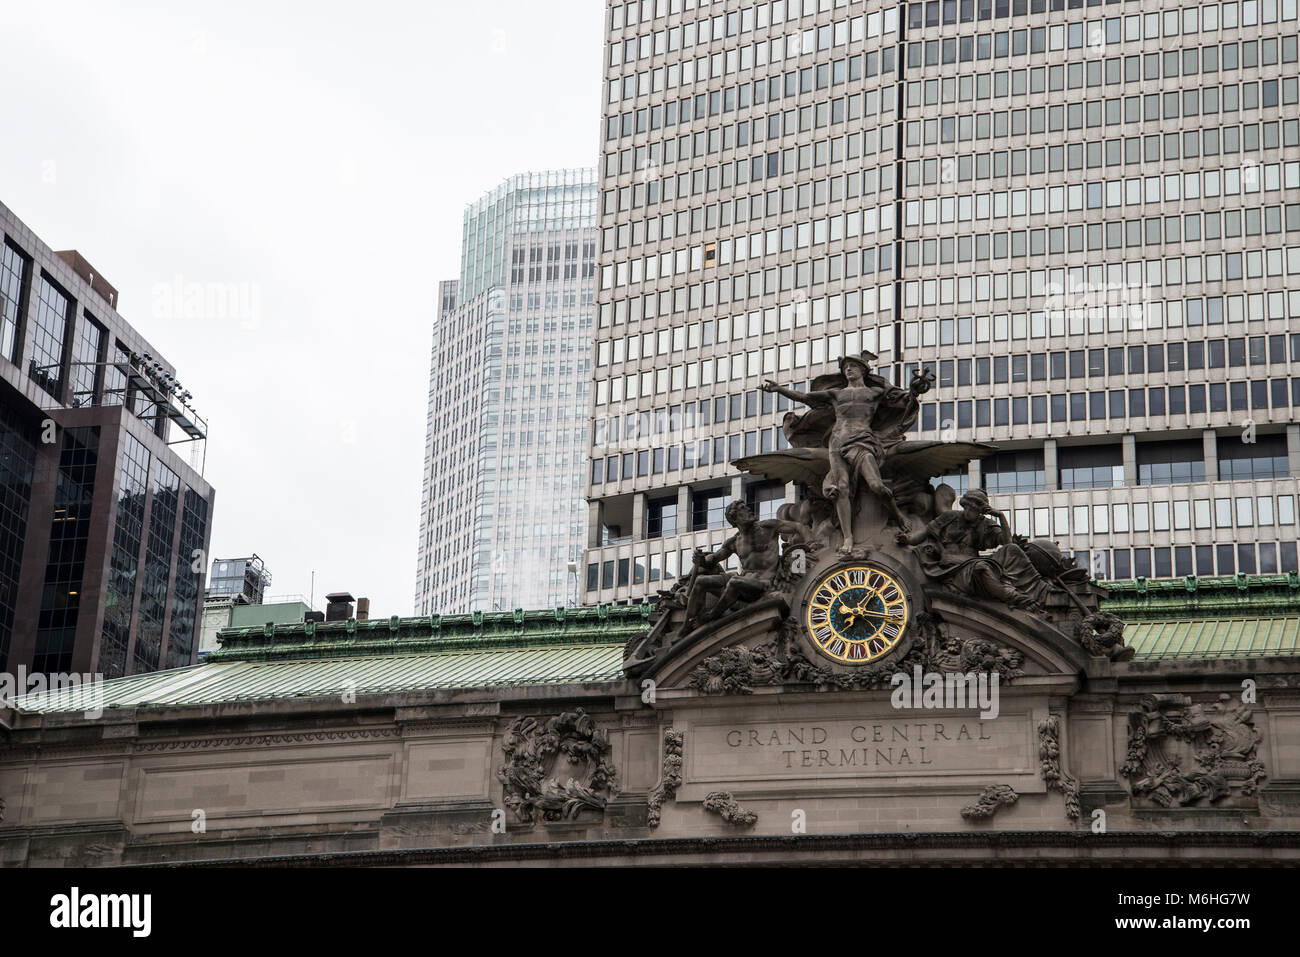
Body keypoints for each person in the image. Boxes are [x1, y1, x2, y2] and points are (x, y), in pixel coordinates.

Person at [762, 354, 929, 554]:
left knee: (877, 486)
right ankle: (848, 538)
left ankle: (898, 516)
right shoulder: (836, 394)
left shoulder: (875, 393)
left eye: (852, 366)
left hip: (862, 441)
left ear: (863, 370)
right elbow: (805, 398)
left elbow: (903, 400)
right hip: (837, 442)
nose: (848, 370)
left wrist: (915, 390)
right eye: (845, 367)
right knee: (841, 488)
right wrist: (779, 390)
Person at [895, 488, 1048, 610]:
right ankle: (1013, 598)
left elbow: (1007, 543)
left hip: (972, 562)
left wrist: (1001, 516)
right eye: (968, 507)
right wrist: (906, 539)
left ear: (981, 511)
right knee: (982, 568)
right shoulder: (949, 517)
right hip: (953, 568)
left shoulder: (985, 524)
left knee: (1013, 549)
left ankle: (1039, 589)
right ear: (964, 505)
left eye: (975, 509)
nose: (969, 512)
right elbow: (924, 533)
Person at [683, 500, 806, 627]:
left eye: (747, 507)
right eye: (743, 509)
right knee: (701, 581)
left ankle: (711, 615)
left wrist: (812, 543)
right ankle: (685, 627)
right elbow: (713, 559)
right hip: (744, 581)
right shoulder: (734, 542)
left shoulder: (768, 527)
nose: (749, 510)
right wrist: (700, 560)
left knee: (735, 582)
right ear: (735, 519)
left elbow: (799, 527)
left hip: (764, 583)